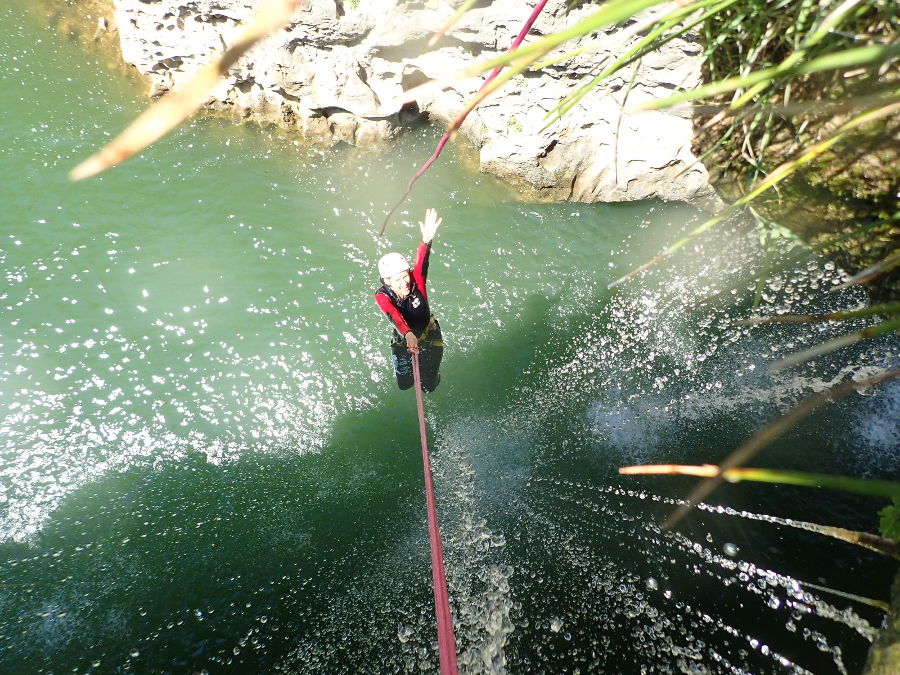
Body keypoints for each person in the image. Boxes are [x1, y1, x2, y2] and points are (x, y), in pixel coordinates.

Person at [375, 208, 444, 392]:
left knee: (428, 387)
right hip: (403, 338)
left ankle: (432, 377)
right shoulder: (382, 296)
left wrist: (426, 241)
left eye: (405, 276)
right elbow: (393, 316)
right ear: (386, 281)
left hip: (429, 335)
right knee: (405, 385)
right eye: (397, 279)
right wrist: (407, 334)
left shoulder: (417, 283)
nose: (404, 282)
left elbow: (421, 263)